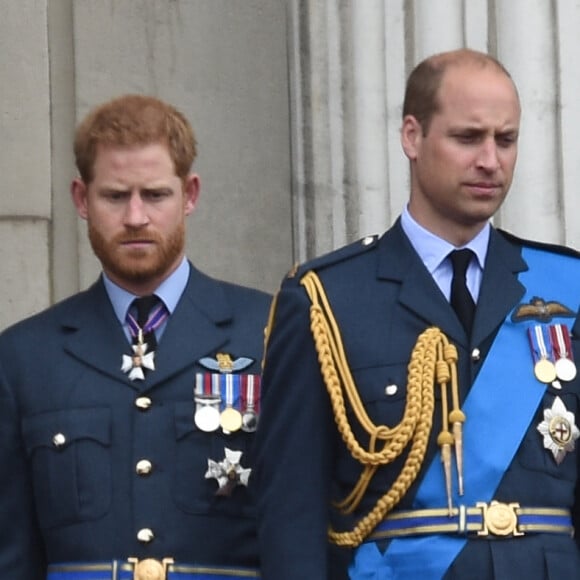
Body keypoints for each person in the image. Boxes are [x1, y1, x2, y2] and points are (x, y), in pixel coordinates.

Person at [253, 48, 580, 579]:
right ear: (412, 136)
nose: (490, 161)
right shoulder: (326, 301)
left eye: (506, 139)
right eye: (468, 137)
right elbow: (291, 512)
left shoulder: (567, 288)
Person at [0, 94, 271, 579]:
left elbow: (302, 525)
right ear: (82, 199)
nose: (135, 217)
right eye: (115, 195)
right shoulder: (24, 358)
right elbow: (12, 551)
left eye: (155, 195)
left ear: (190, 194)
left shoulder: (268, 334)